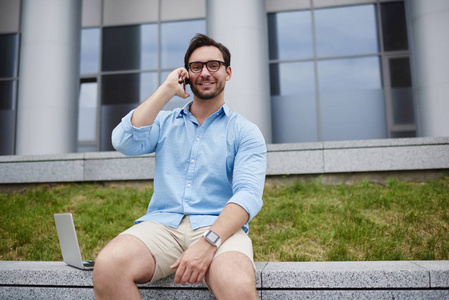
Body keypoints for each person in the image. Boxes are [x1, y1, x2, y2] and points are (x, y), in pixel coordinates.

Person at [93, 33, 266, 300]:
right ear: (186, 74)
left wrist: (209, 241)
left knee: (238, 288)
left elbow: (248, 195)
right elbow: (123, 141)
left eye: (214, 65)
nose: (205, 73)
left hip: (218, 226)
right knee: (108, 266)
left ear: (227, 72)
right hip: (162, 226)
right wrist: (166, 90)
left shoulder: (246, 132)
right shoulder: (164, 123)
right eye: (196, 67)